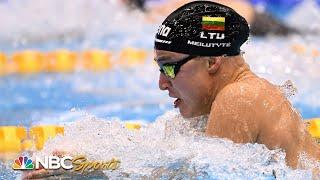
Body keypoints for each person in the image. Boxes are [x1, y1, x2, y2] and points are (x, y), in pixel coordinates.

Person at [154, 0, 320, 168]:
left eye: (168, 67)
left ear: (211, 62)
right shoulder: (229, 99)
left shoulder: (238, 97)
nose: (162, 83)